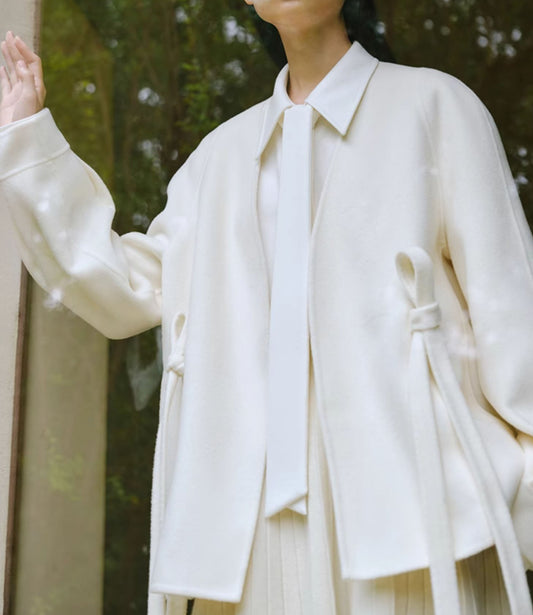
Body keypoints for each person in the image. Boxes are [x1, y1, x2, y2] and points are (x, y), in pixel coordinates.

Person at [1, 1, 533, 614]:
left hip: (417, 514)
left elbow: (509, 315)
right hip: (249, 536)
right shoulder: (219, 158)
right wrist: (27, 138)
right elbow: (122, 285)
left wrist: (517, 493)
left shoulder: (435, 107)